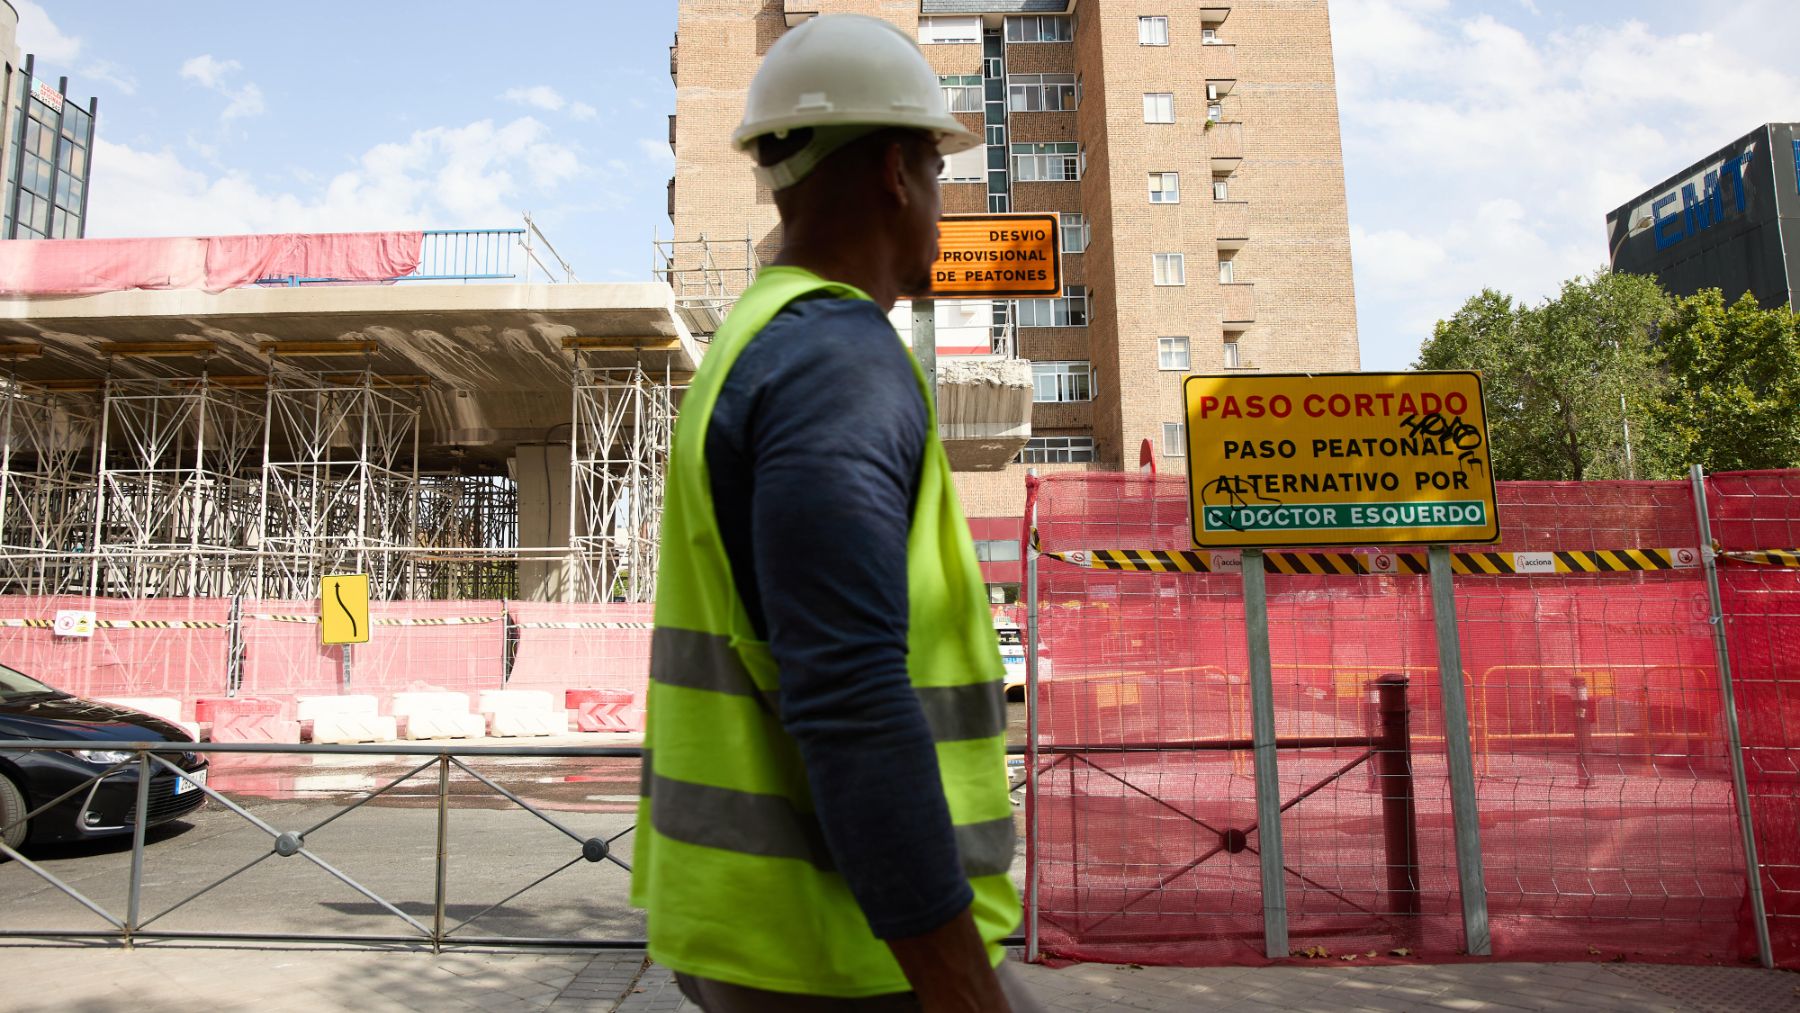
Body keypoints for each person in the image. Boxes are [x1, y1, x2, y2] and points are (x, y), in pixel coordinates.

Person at [630, 13, 1037, 1013]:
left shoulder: (756, 342)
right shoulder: (836, 362)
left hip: (770, 934)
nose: (944, 204)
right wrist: (961, 988)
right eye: (941, 171)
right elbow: (850, 691)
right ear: (897, 169)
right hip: (844, 957)